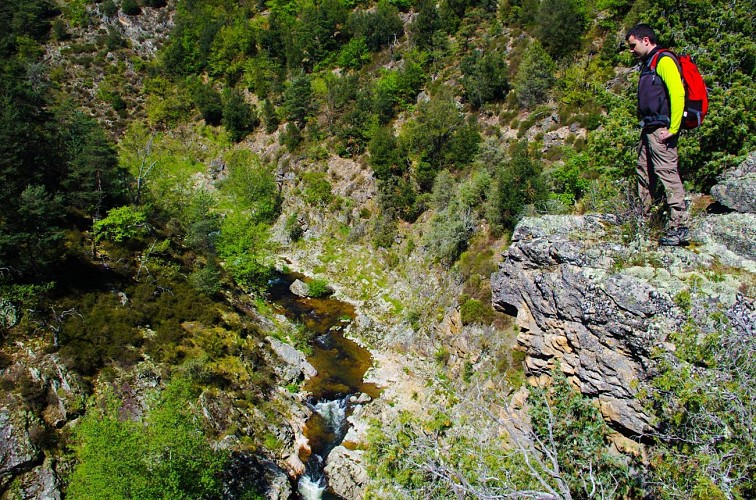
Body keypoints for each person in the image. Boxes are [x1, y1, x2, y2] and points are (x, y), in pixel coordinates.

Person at [626, 24, 690, 246]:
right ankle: (641, 219)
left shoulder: (663, 61)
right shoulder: (648, 63)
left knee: (667, 173)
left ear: (646, 40)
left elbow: (677, 92)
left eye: (633, 45)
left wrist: (673, 128)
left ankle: (679, 226)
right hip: (649, 128)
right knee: (644, 173)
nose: (631, 50)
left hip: (661, 130)